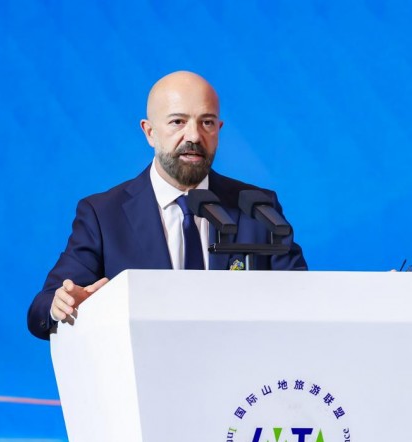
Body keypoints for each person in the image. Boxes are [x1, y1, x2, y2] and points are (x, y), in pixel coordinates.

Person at [27, 71, 307, 340]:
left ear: (219, 130)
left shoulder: (257, 208)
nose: (194, 136)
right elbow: (43, 307)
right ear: (149, 132)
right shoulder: (103, 215)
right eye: (178, 122)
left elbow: (304, 301)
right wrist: (61, 304)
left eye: (207, 122)